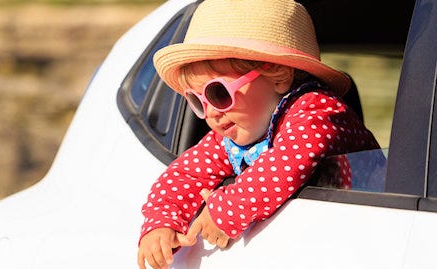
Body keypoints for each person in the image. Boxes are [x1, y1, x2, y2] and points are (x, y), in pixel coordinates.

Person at [136, 0, 381, 268]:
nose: (210, 114)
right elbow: (185, 174)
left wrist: (227, 209)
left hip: (368, 238)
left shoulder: (317, 111)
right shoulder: (231, 139)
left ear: (279, 75)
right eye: (196, 101)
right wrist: (161, 221)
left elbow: (287, 162)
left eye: (218, 93)